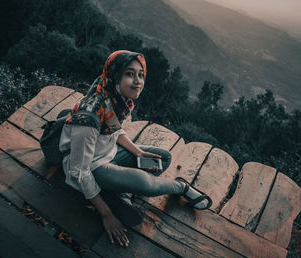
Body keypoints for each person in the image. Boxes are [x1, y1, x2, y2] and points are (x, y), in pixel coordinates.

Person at [59, 50, 212, 247]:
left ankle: (121, 192)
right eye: (129, 74)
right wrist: (107, 215)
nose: (138, 80)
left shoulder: (111, 97)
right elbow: (79, 171)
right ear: (115, 75)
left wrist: (137, 152)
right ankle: (181, 187)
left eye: (140, 74)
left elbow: (114, 131)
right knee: (145, 183)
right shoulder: (89, 116)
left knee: (162, 158)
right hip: (92, 166)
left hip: (108, 152)